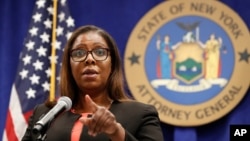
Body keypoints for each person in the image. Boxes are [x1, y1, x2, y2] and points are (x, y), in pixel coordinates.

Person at [21, 25, 164, 141]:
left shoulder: (140, 114)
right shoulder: (45, 114)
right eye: (79, 53)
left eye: (100, 52)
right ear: (69, 66)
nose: (89, 59)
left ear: (112, 64)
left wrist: (116, 132)